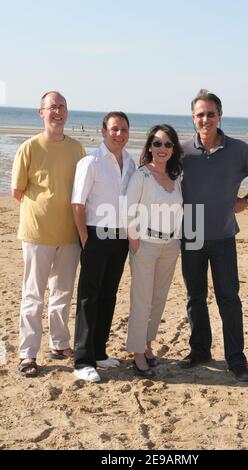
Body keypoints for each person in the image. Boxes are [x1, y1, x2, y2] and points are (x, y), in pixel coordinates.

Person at [179, 89, 248, 382]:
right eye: (200, 114)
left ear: (219, 115)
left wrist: (246, 201)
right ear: (193, 118)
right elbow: (160, 176)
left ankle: (236, 359)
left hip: (223, 233)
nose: (205, 119)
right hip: (192, 230)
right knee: (195, 297)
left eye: (210, 113)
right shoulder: (183, 151)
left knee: (228, 298)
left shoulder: (238, 149)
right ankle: (200, 351)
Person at [11, 91, 86, 377]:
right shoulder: (29, 148)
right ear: (41, 112)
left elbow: (82, 191)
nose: (58, 111)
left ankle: (59, 344)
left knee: (63, 293)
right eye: (52, 107)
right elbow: (17, 192)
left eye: (62, 107)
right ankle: (28, 354)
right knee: (33, 295)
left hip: (69, 235)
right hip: (36, 234)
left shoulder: (78, 149)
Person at [71, 111, 136, 382]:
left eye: (123, 129)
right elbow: (78, 203)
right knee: (89, 296)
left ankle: (99, 352)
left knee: (108, 294)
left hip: (120, 236)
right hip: (96, 234)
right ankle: (82, 361)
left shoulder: (130, 162)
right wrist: (86, 238)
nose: (118, 133)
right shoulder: (91, 162)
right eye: (114, 129)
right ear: (103, 131)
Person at [125, 125, 183, 378]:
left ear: (173, 149)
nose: (162, 149)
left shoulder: (176, 175)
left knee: (159, 299)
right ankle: (137, 354)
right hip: (145, 246)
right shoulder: (142, 176)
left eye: (168, 144)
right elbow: (127, 212)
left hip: (170, 246)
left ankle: (148, 344)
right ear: (149, 146)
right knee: (142, 300)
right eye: (157, 143)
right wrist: (136, 245)